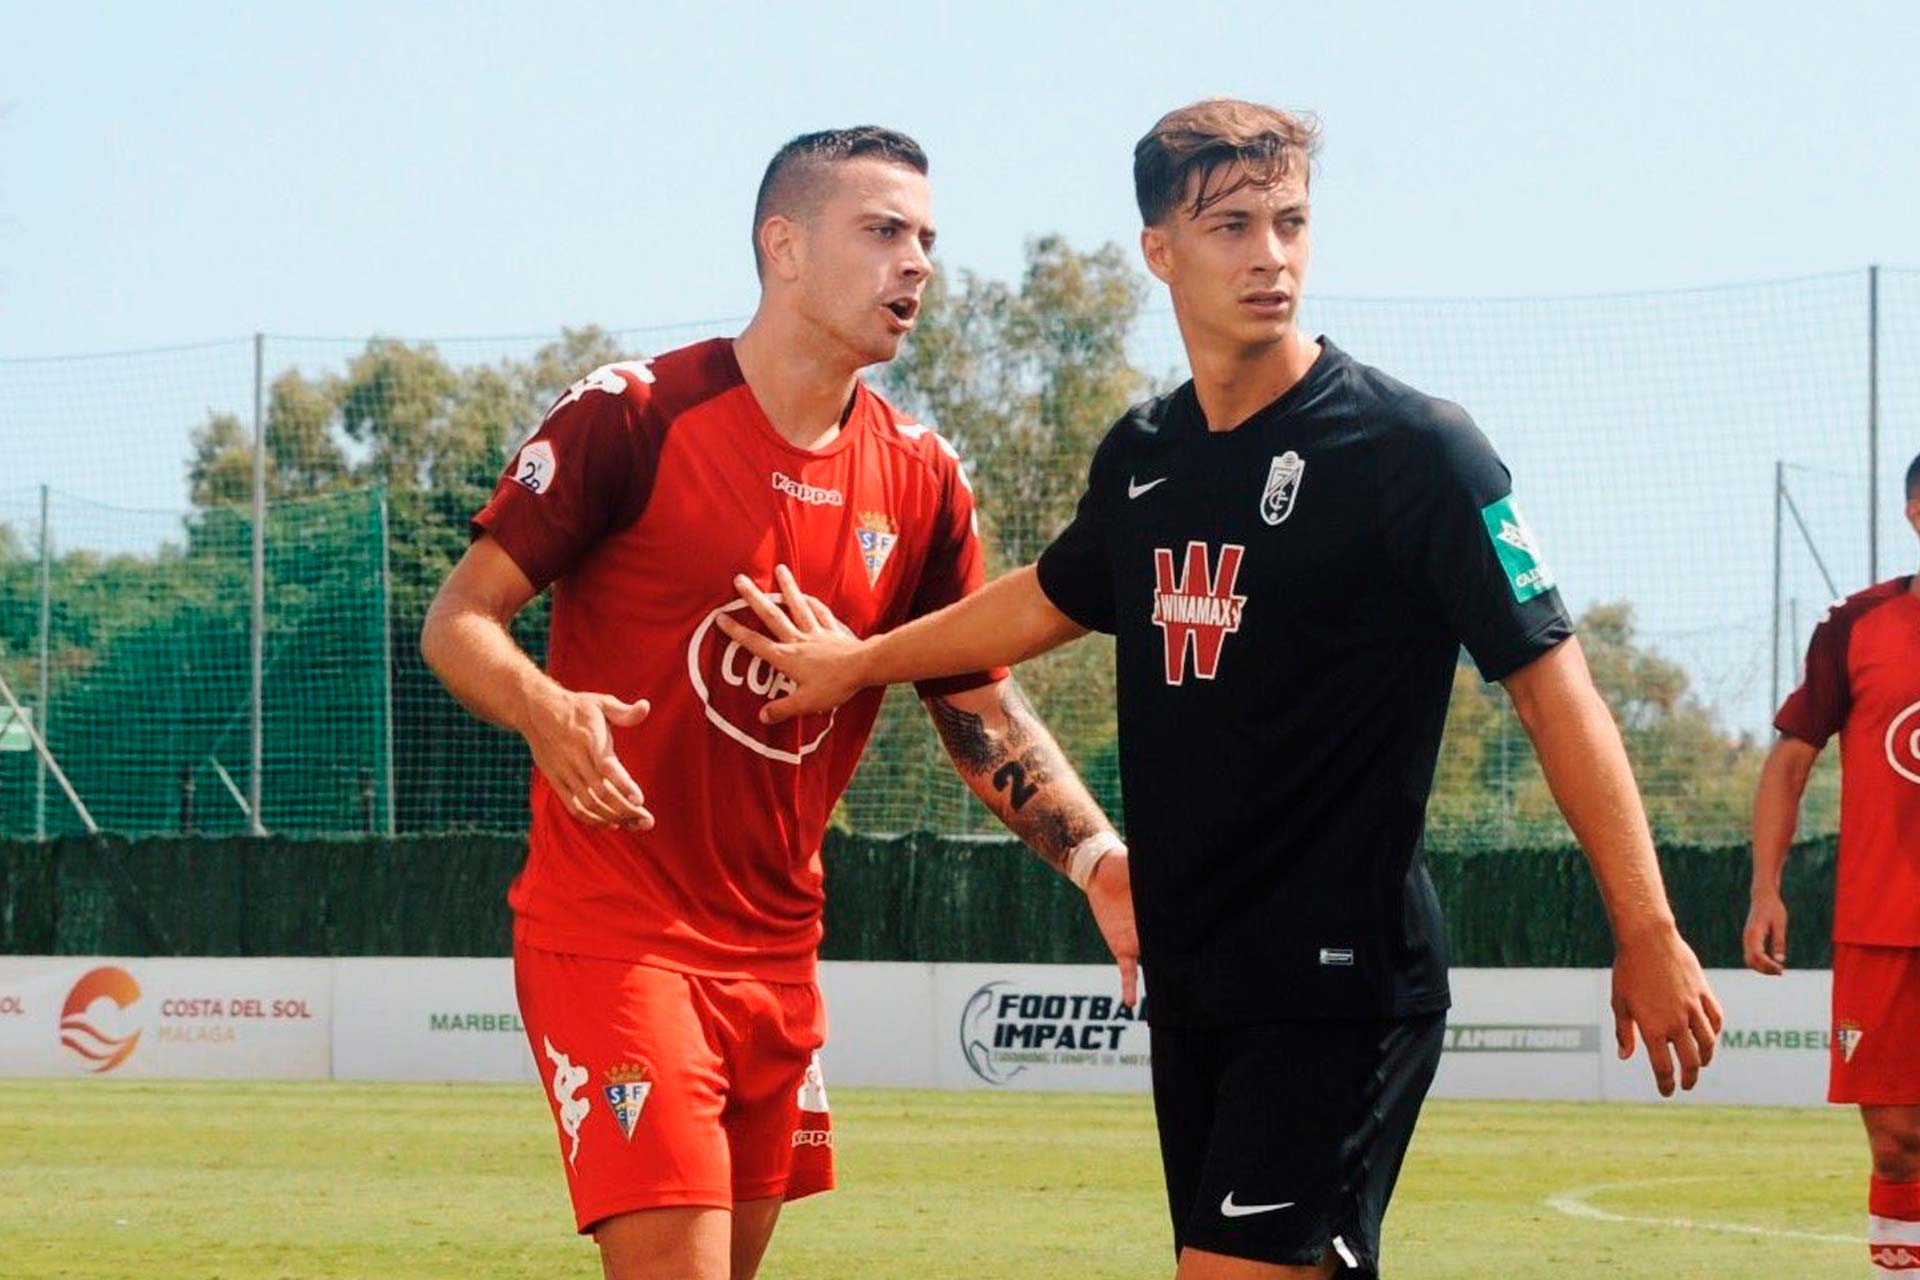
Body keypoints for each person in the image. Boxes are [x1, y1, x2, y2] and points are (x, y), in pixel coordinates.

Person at [715, 98, 1723, 1279]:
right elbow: (1045, 594)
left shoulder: (1416, 451)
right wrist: (863, 660)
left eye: (1291, 222)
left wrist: (1647, 926)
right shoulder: (1149, 454)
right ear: (1161, 252)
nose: (1272, 255)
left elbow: (1561, 695)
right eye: (1234, 225)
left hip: (1342, 982)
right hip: (1197, 979)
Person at [419, 126, 1137, 1280]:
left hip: (778, 956)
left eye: (928, 241)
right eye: (885, 230)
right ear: (784, 246)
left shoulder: (922, 476)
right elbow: (458, 620)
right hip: (617, 935)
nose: (918, 264)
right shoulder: (634, 411)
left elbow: (978, 708)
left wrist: (1098, 858)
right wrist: (548, 709)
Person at [1745, 450, 1920, 1276]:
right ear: (1917, 516)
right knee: (1896, 1143)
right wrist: (1766, 891)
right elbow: (1789, 760)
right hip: (1881, 926)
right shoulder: (1855, 628)